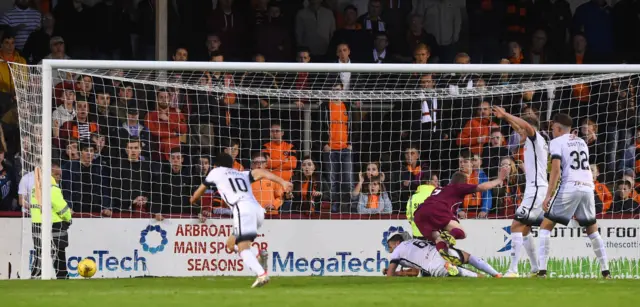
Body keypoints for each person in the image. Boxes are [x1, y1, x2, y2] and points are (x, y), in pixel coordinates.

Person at [190, 152, 293, 288]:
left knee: (243, 248)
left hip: (242, 209)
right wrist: (283, 182)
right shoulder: (240, 173)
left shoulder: (215, 172)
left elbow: (199, 191)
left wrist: (193, 200)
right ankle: (259, 254)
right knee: (231, 244)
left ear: (215, 165)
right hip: (258, 210)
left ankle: (261, 274)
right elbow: (260, 171)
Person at [539, 113, 610, 279]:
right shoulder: (582, 142)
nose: (552, 131)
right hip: (587, 187)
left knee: (545, 226)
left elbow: (556, 170)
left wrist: (548, 195)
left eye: (553, 128)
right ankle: (606, 271)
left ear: (557, 128)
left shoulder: (556, 142)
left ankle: (541, 271)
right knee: (592, 229)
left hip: (570, 187)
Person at [492, 106, 546, 277]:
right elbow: (520, 128)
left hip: (536, 190)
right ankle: (536, 269)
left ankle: (513, 270)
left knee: (515, 225)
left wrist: (507, 114)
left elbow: (526, 128)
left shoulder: (536, 138)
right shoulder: (532, 141)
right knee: (525, 229)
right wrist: (506, 119)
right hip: (536, 188)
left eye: (521, 130)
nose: (518, 133)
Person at [414, 167, 508, 265]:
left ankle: (446, 259)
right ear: (464, 182)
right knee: (462, 233)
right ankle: (449, 236)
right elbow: (482, 187)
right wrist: (499, 180)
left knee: (437, 237)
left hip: (419, 214)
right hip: (438, 210)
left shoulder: (439, 189)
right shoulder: (458, 187)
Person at [384, 232, 502, 278]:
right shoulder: (412, 241)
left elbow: (390, 276)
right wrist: (399, 272)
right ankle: (495, 274)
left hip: (433, 265)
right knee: (469, 257)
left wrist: (389, 271)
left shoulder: (397, 251)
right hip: (441, 252)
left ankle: (456, 270)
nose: (389, 250)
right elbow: (415, 272)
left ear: (397, 243)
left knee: (468, 275)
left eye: (390, 246)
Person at [30, 165, 72, 279]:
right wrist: (68, 219)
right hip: (54, 224)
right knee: (59, 253)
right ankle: (62, 276)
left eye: (60, 175)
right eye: (56, 174)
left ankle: (35, 276)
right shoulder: (52, 189)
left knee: (40, 253)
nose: (58, 177)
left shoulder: (35, 188)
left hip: (37, 223)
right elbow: (61, 207)